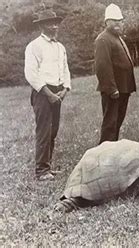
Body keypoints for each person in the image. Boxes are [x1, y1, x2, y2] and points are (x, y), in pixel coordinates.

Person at [24, 9, 71, 181]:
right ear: (42, 26)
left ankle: (48, 165)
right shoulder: (34, 46)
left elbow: (65, 69)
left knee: (53, 130)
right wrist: (48, 93)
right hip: (42, 93)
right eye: (51, 23)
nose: (55, 26)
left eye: (56, 22)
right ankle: (41, 170)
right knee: (44, 130)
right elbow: (31, 74)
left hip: (58, 91)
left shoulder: (60, 47)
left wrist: (65, 89)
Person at [95, 4, 136, 144]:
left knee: (117, 123)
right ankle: (104, 154)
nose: (118, 23)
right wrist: (112, 89)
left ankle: (113, 151)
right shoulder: (103, 39)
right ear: (107, 22)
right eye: (114, 20)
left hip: (124, 88)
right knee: (110, 125)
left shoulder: (117, 38)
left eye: (120, 20)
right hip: (113, 90)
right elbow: (102, 67)